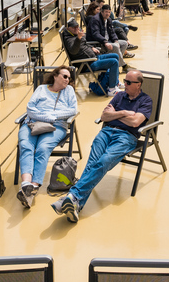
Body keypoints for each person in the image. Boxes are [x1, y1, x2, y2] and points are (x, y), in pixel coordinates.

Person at [50, 70, 151, 222]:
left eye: (129, 83)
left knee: (103, 161)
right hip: (106, 131)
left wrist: (115, 114)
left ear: (139, 85)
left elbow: (136, 123)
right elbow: (104, 116)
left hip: (126, 137)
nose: (125, 85)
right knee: (92, 163)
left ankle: (72, 196)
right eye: (125, 81)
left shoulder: (146, 101)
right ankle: (75, 204)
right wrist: (124, 112)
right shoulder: (118, 96)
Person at [17, 66, 78, 208]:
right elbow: (30, 108)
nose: (67, 79)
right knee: (25, 145)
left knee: (42, 148)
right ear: (55, 76)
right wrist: (45, 116)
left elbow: (73, 110)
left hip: (56, 126)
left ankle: (33, 186)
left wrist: (53, 117)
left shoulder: (68, 91)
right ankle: (26, 183)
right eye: (64, 76)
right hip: (33, 123)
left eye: (69, 77)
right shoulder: (41, 89)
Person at [61, 18, 122, 96]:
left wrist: (91, 47)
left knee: (115, 56)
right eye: (73, 27)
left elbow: (84, 43)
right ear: (68, 28)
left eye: (77, 26)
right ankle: (112, 89)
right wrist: (78, 38)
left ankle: (116, 82)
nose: (76, 29)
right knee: (114, 62)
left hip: (93, 58)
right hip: (87, 63)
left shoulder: (75, 34)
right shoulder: (69, 39)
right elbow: (73, 50)